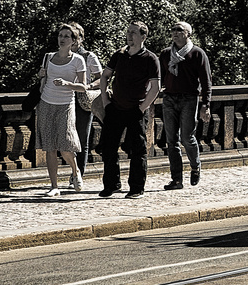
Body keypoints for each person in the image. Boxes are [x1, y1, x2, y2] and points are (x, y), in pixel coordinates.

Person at [96, 20, 161, 198]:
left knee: (137, 150)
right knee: (108, 147)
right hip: (115, 108)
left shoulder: (150, 58)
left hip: (136, 110)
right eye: (128, 32)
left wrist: (141, 108)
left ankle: (136, 188)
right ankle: (111, 184)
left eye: (133, 33)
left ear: (143, 36)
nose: (129, 36)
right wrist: (105, 100)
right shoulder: (119, 55)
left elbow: (155, 88)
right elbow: (105, 77)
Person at [35, 24, 88, 197]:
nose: (62, 38)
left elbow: (83, 87)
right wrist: (41, 75)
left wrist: (67, 84)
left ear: (73, 41)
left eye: (67, 36)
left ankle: (75, 171)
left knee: (65, 146)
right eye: (60, 35)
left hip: (66, 105)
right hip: (46, 104)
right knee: (49, 147)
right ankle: (54, 186)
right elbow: (42, 79)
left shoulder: (78, 60)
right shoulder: (48, 57)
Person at [160, 19, 213, 190]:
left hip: (189, 99)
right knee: (171, 141)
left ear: (188, 34)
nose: (175, 32)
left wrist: (206, 104)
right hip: (168, 98)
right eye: (173, 29)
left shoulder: (197, 54)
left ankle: (195, 166)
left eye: (180, 30)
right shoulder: (166, 54)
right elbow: (159, 77)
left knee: (187, 138)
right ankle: (176, 179)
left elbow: (206, 81)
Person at [68, 21, 104, 174]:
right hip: (64, 98)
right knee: (66, 139)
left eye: (75, 36)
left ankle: (78, 174)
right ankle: (72, 170)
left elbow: (101, 78)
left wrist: (87, 87)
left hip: (82, 100)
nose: (72, 39)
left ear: (81, 38)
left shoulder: (89, 56)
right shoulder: (60, 56)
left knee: (82, 137)